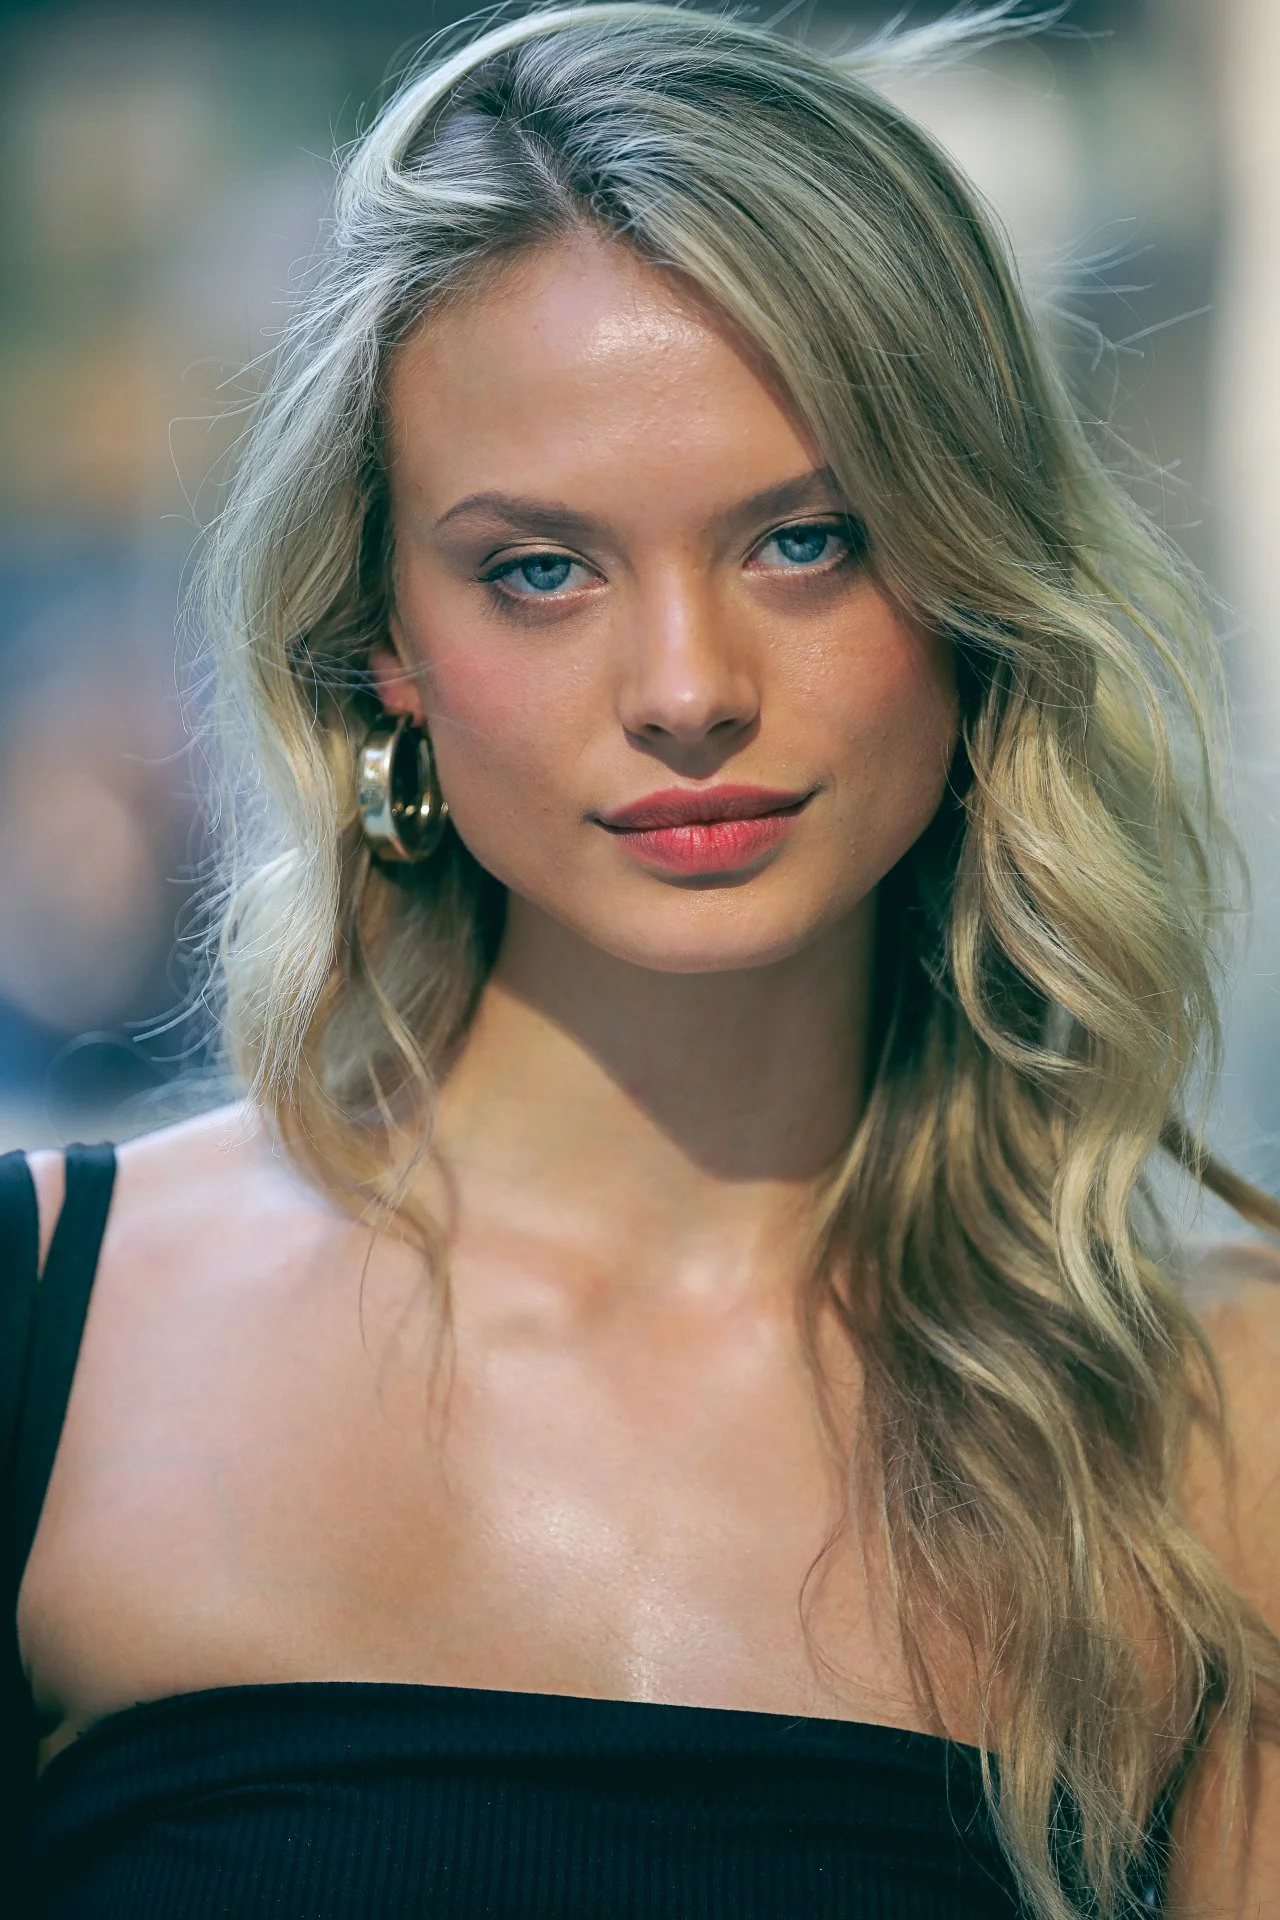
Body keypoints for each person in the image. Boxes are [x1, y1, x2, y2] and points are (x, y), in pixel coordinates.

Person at [2, 4, 1279, 1915]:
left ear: (977, 588)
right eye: (540, 568)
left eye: (806, 542)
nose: (687, 692)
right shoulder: (57, 1341)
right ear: (386, 650)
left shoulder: (1226, 1420)